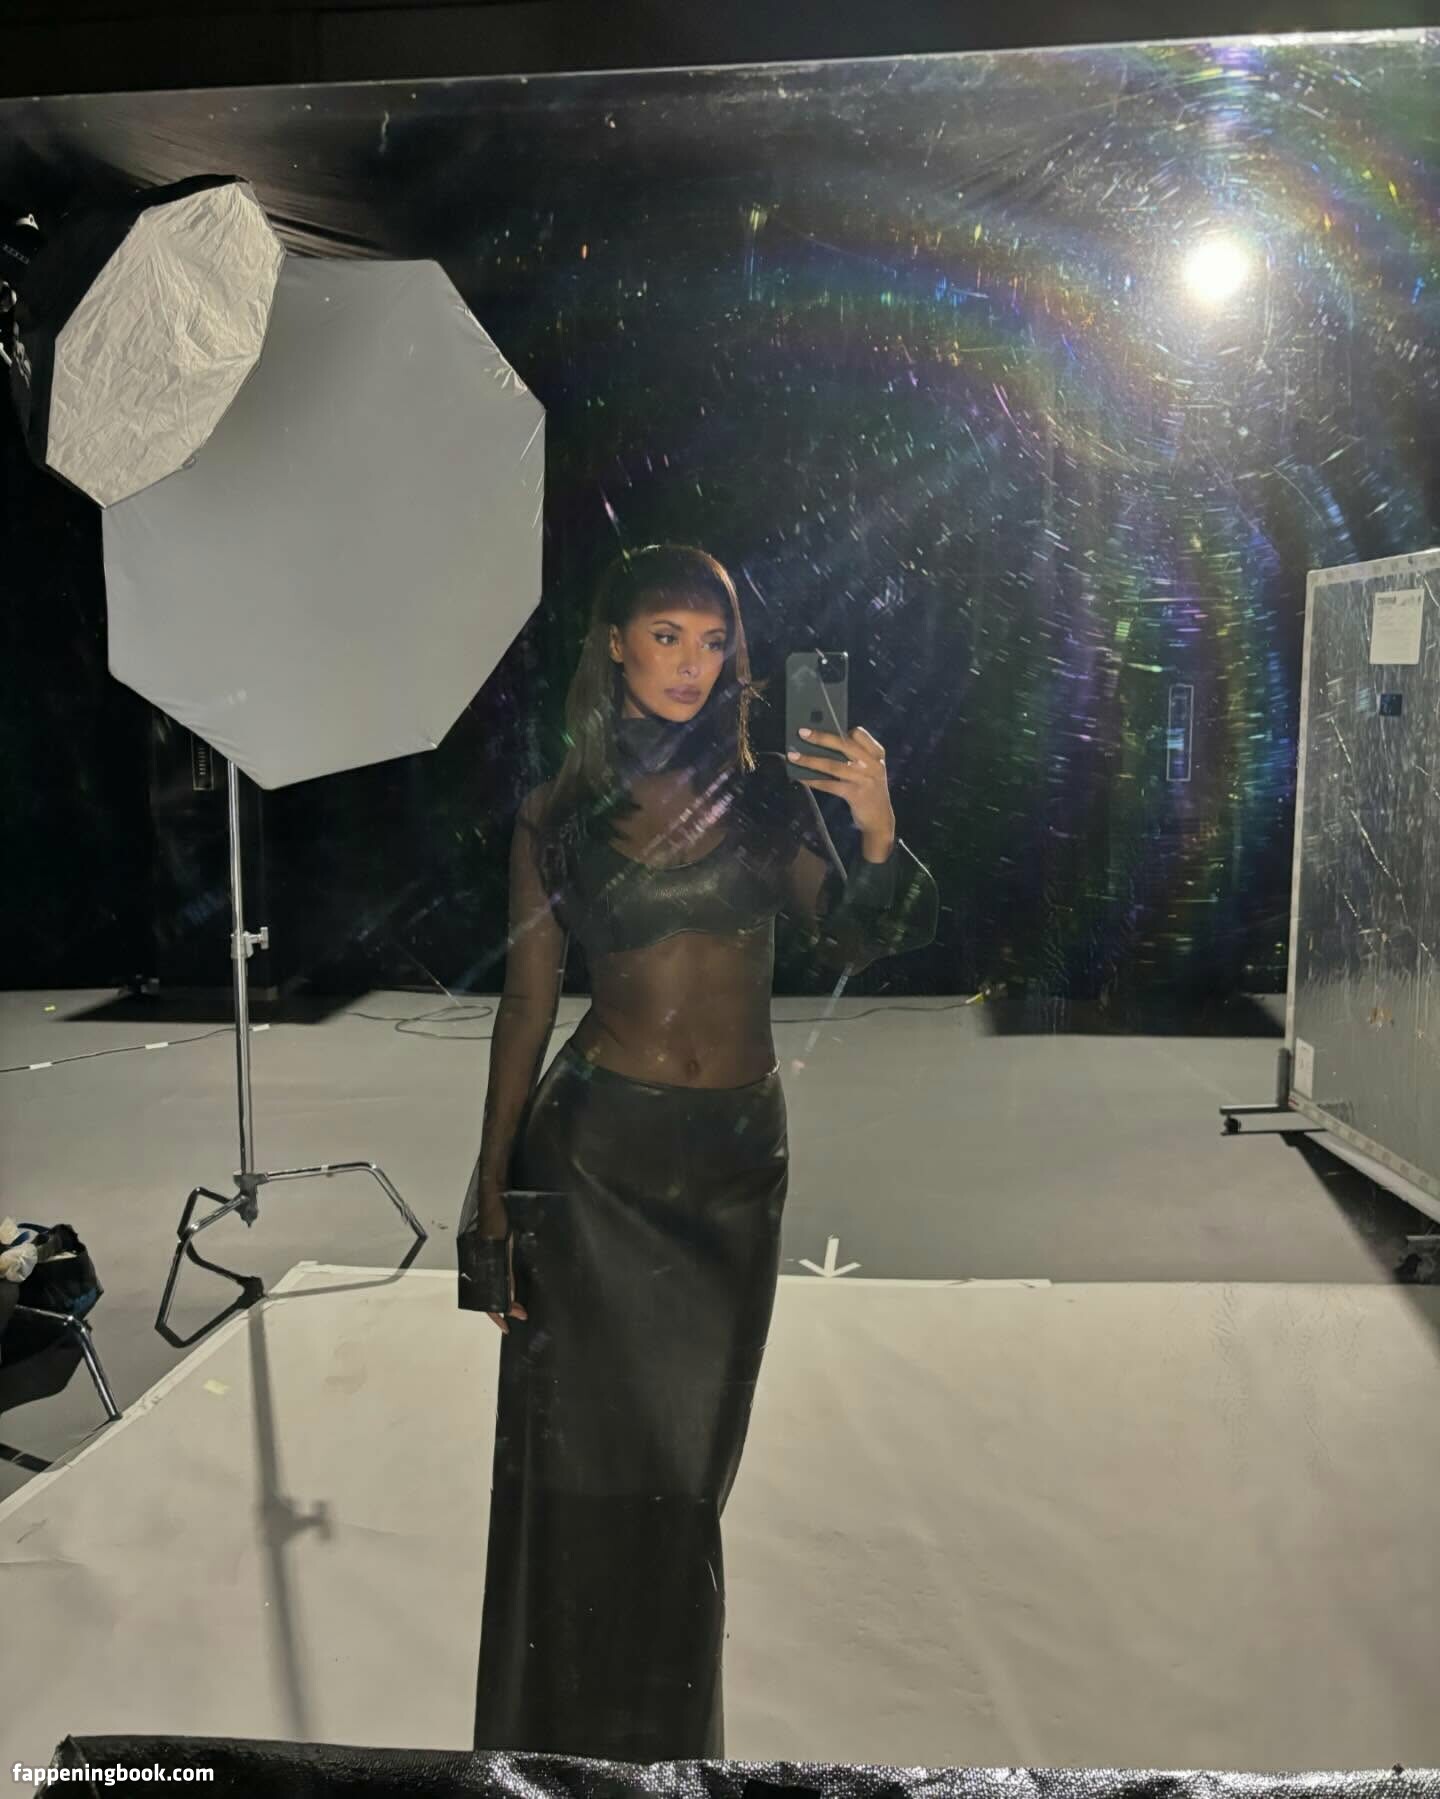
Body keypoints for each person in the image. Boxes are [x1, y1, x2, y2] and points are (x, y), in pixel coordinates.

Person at [458, 542, 938, 1761]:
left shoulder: (765, 799)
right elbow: (527, 1005)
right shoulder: (558, 813)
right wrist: (492, 1192)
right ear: (616, 643)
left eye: (713, 640)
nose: (691, 662)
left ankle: (664, 1753)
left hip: (731, 1171)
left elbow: (857, 940)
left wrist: (878, 827)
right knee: (579, 1473)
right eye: (666, 635)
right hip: (595, 1165)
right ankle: (563, 1751)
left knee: (688, 1480)